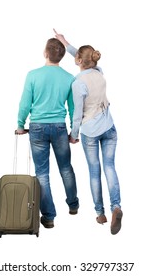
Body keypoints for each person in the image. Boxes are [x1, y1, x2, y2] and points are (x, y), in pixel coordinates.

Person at [54, 29, 123, 235]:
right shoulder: (99, 71)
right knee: (109, 167)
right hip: (109, 127)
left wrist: (73, 135)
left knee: (95, 172)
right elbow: (85, 57)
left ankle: (100, 213)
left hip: (90, 132)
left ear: (77, 61)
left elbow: (77, 116)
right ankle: (116, 207)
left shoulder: (78, 83)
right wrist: (65, 42)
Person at [16, 37, 79, 229]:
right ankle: (73, 205)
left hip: (37, 128)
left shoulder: (33, 75)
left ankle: (49, 217)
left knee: (42, 174)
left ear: (45, 53)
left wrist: (20, 124)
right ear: (61, 56)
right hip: (59, 128)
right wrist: (74, 133)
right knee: (66, 168)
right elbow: (73, 109)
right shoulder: (70, 78)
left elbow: (25, 104)